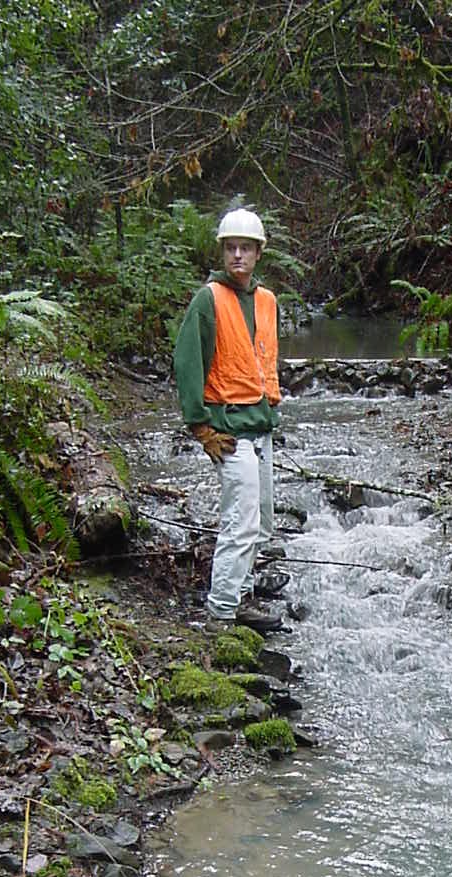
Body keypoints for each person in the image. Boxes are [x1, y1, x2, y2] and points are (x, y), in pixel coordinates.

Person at [173, 207, 283, 633]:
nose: (238, 255)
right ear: (222, 252)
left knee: (262, 523)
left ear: (258, 253)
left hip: (260, 426)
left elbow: (262, 361)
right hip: (228, 431)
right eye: (231, 248)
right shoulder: (208, 299)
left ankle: (242, 594)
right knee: (241, 522)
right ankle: (222, 610)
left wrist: (271, 413)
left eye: (245, 248)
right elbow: (188, 363)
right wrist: (201, 428)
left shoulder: (267, 301)